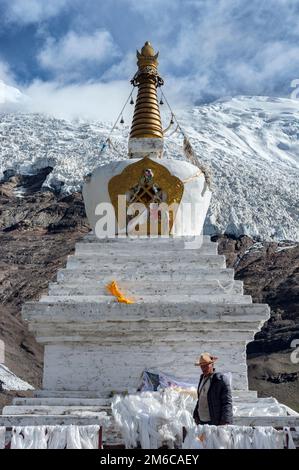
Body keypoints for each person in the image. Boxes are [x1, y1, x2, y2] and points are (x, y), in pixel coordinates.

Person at [193, 352, 233, 426]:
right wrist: (196, 414)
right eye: (202, 366)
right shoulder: (202, 379)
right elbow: (200, 398)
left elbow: (227, 402)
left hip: (214, 421)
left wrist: (225, 420)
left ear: (212, 365)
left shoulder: (220, 380)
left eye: (206, 365)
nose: (203, 368)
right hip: (201, 421)